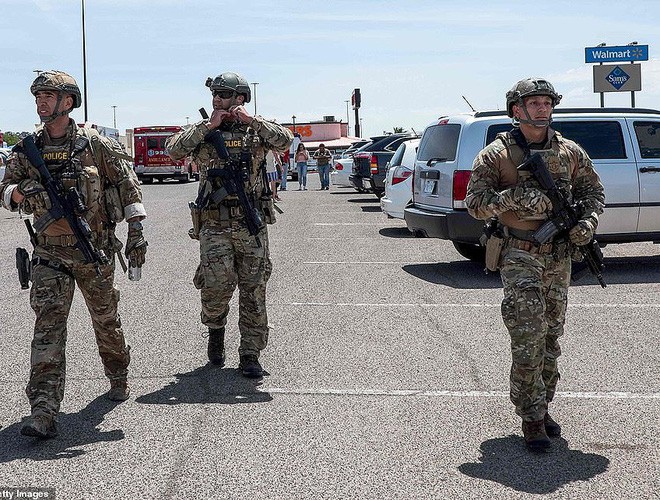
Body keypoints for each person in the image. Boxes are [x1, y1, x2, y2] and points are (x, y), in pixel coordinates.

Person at [0, 70, 147, 439]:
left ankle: (118, 372)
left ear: (68, 102)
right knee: (47, 329)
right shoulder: (27, 149)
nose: (41, 102)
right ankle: (43, 410)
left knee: (106, 321)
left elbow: (128, 186)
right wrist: (23, 190)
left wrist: (136, 233)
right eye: (38, 97)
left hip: (93, 251)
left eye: (48, 96)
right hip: (49, 254)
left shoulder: (94, 145)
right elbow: (5, 192)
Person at [465, 78, 605, 452]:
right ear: (517, 110)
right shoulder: (497, 155)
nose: (543, 109)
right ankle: (531, 417)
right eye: (534, 103)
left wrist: (587, 223)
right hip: (519, 252)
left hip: (559, 256)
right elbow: (474, 204)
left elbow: (594, 193)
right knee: (528, 333)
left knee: (551, 336)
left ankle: (543, 406)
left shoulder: (570, 151)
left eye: (547, 103)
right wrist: (515, 197)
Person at [166, 72, 292, 378]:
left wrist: (251, 121)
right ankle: (216, 330)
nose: (216, 100)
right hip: (214, 225)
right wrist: (207, 126)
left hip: (251, 224)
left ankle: (250, 353)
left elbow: (285, 140)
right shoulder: (204, 131)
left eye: (222, 95)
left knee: (254, 290)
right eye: (214, 95)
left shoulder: (256, 130)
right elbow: (174, 150)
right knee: (215, 287)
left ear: (240, 98)